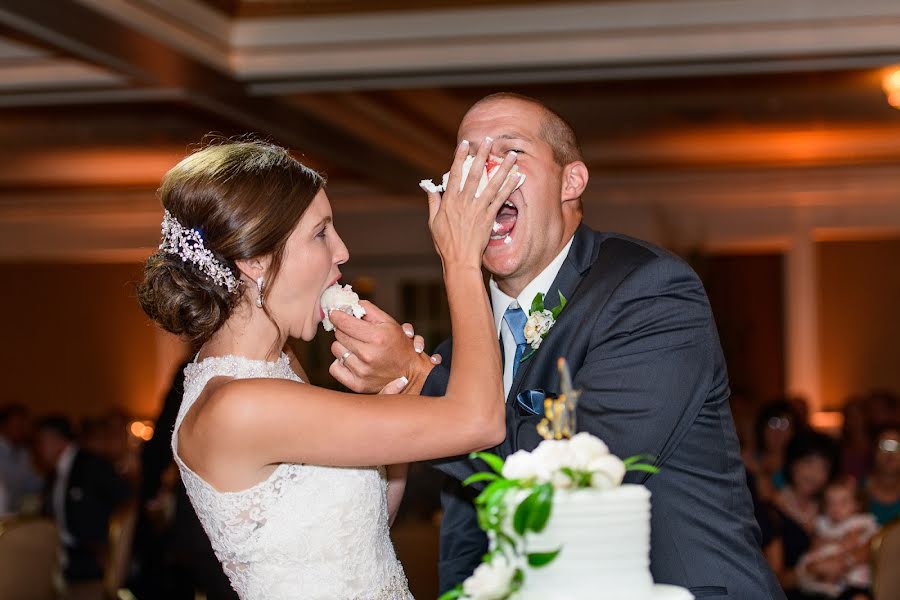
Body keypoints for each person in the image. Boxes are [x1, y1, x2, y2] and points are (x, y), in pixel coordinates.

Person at [329, 92, 783, 599]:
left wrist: (418, 378)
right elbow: (467, 527)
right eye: (467, 154)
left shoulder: (648, 290)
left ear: (572, 181)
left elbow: (575, 480)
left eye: (511, 151)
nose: (485, 170)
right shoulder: (459, 355)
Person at [136, 138, 520, 599]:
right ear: (254, 259)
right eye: (321, 233)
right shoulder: (239, 405)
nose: (341, 251)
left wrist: (394, 400)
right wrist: (460, 262)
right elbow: (479, 421)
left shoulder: (275, 368)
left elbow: (361, 534)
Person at [33, 416, 132, 585]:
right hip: (63, 554)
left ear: (55, 439)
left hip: (90, 562)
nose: (38, 449)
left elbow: (127, 503)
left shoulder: (92, 465)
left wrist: (111, 550)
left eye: (41, 442)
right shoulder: (55, 472)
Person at [760, 431, 838, 599]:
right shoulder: (772, 511)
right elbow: (773, 579)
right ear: (793, 463)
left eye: (823, 468)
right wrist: (811, 570)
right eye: (808, 463)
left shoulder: (830, 508)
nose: (814, 474)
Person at [795, 475, 876, 600]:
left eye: (843, 502)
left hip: (851, 579)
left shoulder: (859, 522)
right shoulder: (823, 523)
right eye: (830, 503)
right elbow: (814, 546)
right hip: (820, 576)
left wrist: (833, 544)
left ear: (857, 504)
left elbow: (851, 544)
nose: (836, 508)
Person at [0, 403, 43, 513]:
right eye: (17, 425)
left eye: (24, 425)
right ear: (4, 425)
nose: (22, 429)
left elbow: (31, 483)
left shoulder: (24, 452)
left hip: (13, 514)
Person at [865, 426, 899, 525]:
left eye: (896, 447)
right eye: (884, 446)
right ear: (874, 450)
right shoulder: (855, 490)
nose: (890, 454)